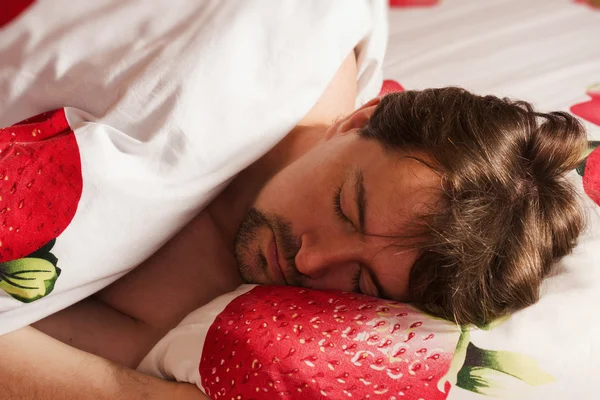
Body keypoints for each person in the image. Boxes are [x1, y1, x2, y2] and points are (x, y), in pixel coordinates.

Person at [1, 50, 586, 399]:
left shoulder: (185, 306)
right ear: (362, 118)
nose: (310, 262)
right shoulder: (291, 52)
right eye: (345, 208)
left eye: (361, 284)